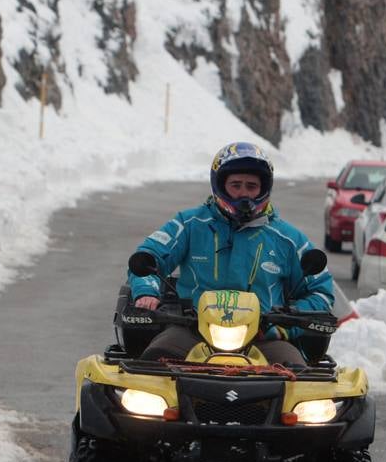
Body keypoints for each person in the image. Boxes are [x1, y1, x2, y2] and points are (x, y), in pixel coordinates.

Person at [129, 142, 334, 365]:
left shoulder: (289, 239)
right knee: (152, 364)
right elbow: (148, 256)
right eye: (235, 185)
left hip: (264, 337)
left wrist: (287, 323)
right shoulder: (190, 224)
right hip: (191, 330)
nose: (243, 193)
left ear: (264, 188)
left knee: (299, 376)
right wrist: (146, 292)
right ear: (220, 186)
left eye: (251, 186)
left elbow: (321, 292)